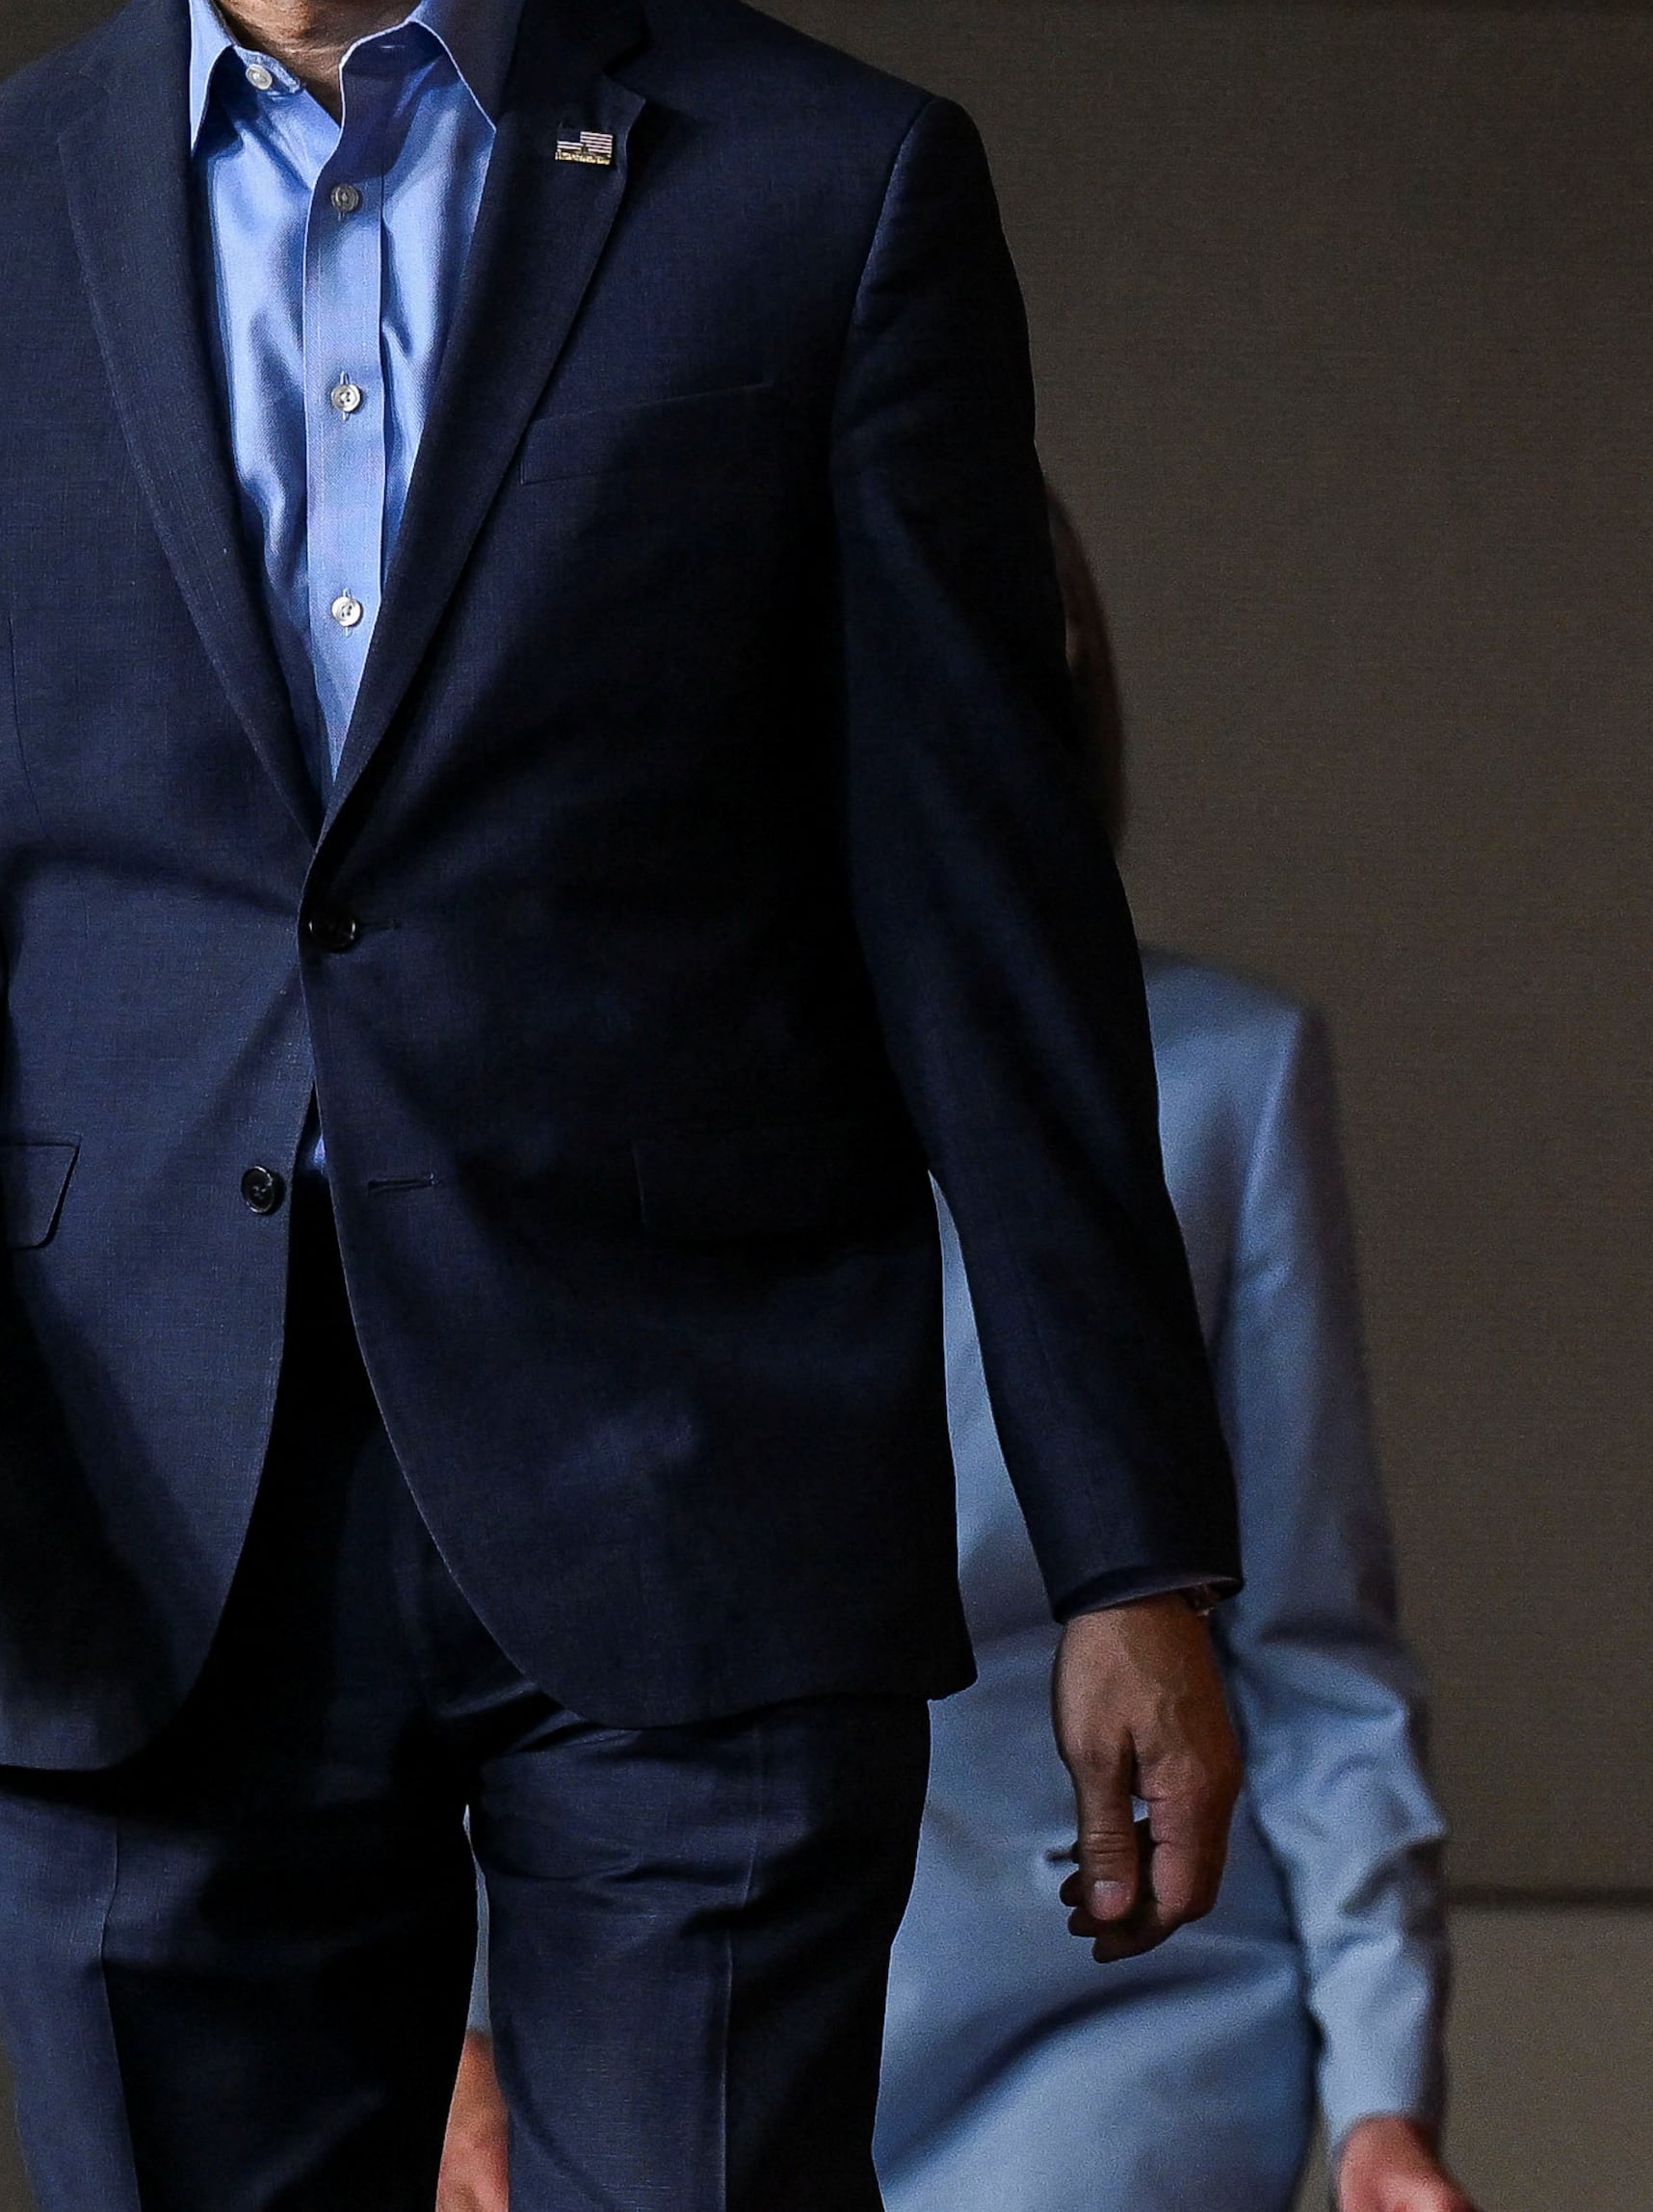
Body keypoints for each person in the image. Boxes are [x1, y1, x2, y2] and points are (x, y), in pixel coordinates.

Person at [0, 0, 1246, 2211]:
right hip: (123, 1538)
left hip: (693, 1492)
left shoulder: (830, 192)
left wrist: (1138, 1550)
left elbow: (983, 920)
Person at [446, 505, 1475, 2212]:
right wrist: (464, 2038)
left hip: (1110, 2018)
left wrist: (1383, 2087)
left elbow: (1310, 1651)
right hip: (664, 1997)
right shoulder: (556, 1080)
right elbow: (469, 1629)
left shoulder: (1223, 1079)